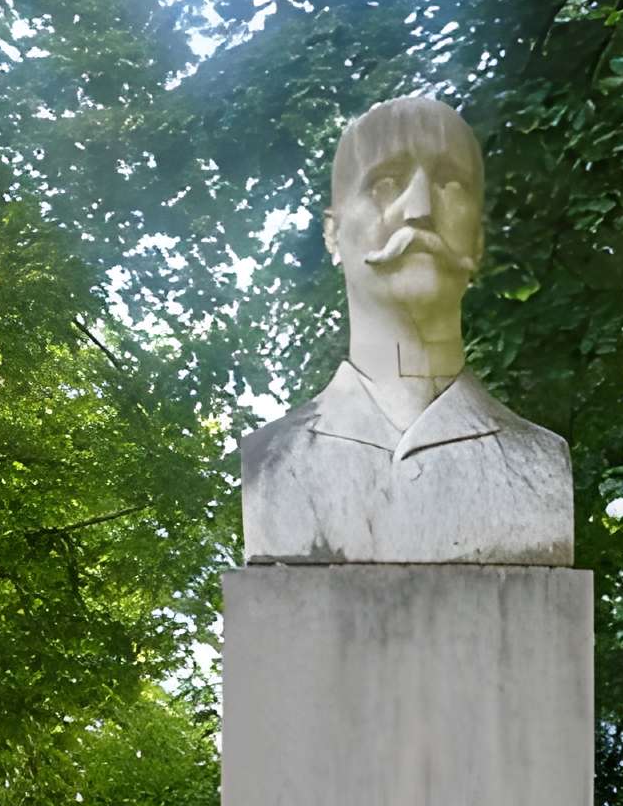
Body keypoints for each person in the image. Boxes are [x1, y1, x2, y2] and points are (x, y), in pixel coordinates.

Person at [241, 95, 574, 567]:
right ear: (333, 234)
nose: (419, 210)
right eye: (385, 183)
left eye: (449, 183)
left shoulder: (539, 463)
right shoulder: (272, 462)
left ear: (478, 240)